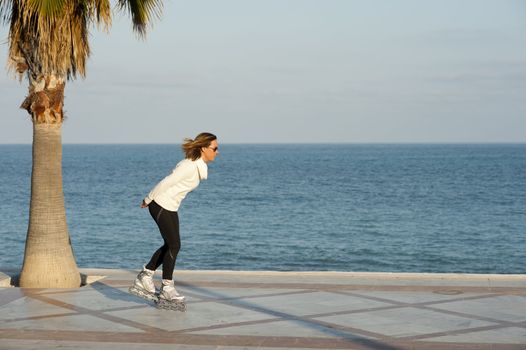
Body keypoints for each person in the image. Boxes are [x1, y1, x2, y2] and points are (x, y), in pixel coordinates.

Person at [130, 132, 219, 305]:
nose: (217, 151)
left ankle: (146, 275)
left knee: (171, 244)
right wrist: (148, 198)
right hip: (161, 204)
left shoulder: (197, 166)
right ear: (203, 148)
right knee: (174, 245)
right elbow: (167, 182)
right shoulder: (189, 166)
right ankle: (167, 288)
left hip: (169, 207)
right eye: (215, 148)